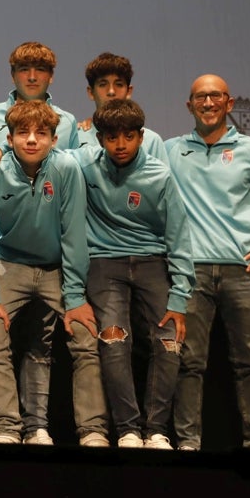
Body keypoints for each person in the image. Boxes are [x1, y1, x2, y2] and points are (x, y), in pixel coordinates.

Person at [167, 74, 250, 451]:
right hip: (189, 273)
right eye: (200, 97)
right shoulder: (171, 149)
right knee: (188, 364)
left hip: (242, 271)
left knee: (249, 364)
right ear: (189, 105)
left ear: (228, 103)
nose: (207, 103)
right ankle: (187, 444)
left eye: (215, 96)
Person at [0, 100, 109, 446]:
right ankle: (6, 426)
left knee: (84, 336)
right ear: (11, 137)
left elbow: (74, 234)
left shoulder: (66, 168)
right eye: (23, 133)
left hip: (54, 269)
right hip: (9, 265)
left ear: (53, 138)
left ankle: (88, 429)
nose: (31, 140)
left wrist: (75, 297)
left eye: (41, 133)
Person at [76, 98, 194, 449]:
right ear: (100, 139)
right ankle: (127, 428)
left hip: (152, 263)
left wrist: (180, 296)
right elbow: (46, 156)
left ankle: (156, 429)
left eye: (129, 136)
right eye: (112, 137)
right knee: (114, 340)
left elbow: (179, 236)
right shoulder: (84, 165)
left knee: (170, 342)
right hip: (104, 264)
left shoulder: (160, 174)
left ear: (142, 137)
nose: (121, 145)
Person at [0, 41, 81, 177]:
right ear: (12, 76)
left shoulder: (67, 121)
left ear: (51, 76)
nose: (32, 77)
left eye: (40, 69)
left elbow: (76, 175)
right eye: (24, 69)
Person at [75, 52, 168, 162]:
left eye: (119, 84)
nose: (111, 91)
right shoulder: (76, 136)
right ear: (91, 92)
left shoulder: (152, 140)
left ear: (129, 91)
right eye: (103, 84)